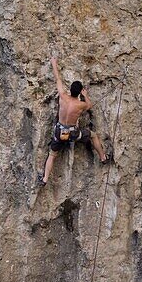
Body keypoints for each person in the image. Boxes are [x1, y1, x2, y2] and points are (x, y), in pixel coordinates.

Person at [39, 55, 109, 186]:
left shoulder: (62, 96)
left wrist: (54, 63)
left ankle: (45, 179)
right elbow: (89, 106)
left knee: (52, 155)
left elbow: (58, 78)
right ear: (79, 93)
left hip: (60, 132)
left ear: (70, 89)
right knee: (93, 135)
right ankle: (103, 157)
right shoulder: (80, 105)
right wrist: (86, 96)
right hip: (73, 134)